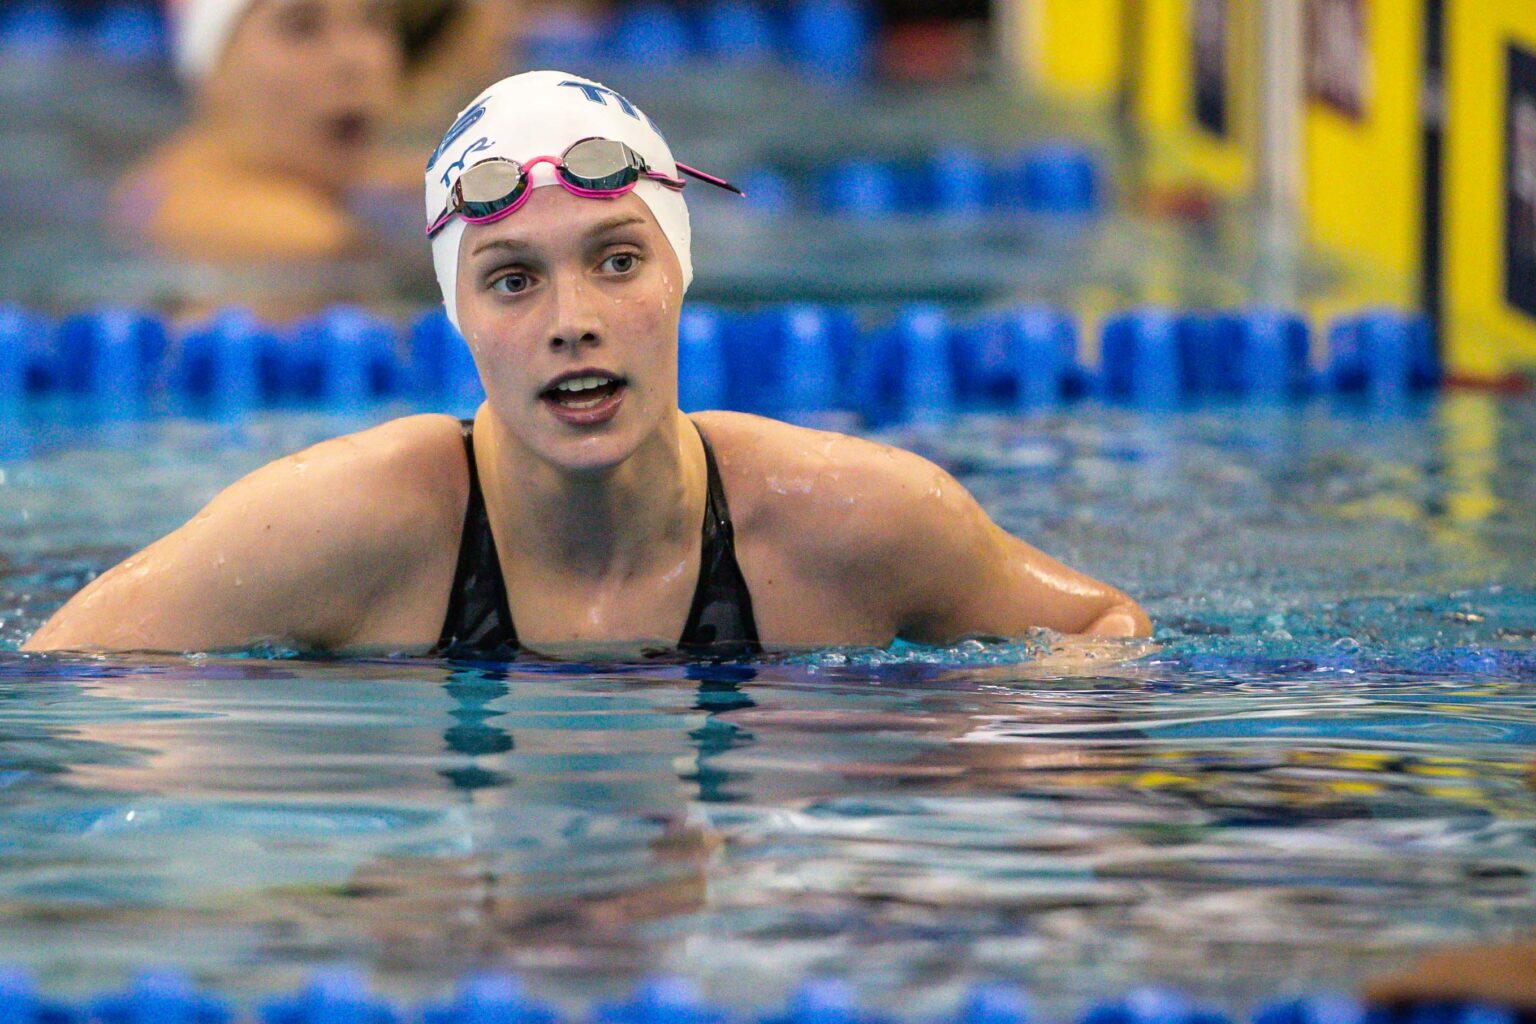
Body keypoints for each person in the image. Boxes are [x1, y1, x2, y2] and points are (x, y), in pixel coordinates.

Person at [26, 71, 1150, 658]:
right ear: (458, 317)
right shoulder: (351, 520)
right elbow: (60, 675)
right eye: (513, 279)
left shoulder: (850, 516)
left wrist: (1011, 735)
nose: (574, 320)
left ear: (681, 275)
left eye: (616, 261)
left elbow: (1110, 632)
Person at [109, 0, 403, 261]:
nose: (355, 61)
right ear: (211, 70)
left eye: (372, 18)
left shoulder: (172, 172)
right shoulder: (300, 235)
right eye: (302, 27)